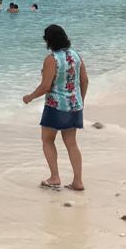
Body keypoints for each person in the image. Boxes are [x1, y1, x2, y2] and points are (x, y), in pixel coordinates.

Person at [23, 24, 88, 191]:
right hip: (74, 106)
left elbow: (45, 86)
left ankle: (54, 177)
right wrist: (80, 100)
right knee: (72, 144)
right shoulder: (76, 55)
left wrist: (29, 97)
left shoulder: (51, 59)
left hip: (55, 106)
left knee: (47, 140)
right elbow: (85, 80)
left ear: (48, 41)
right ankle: (78, 181)